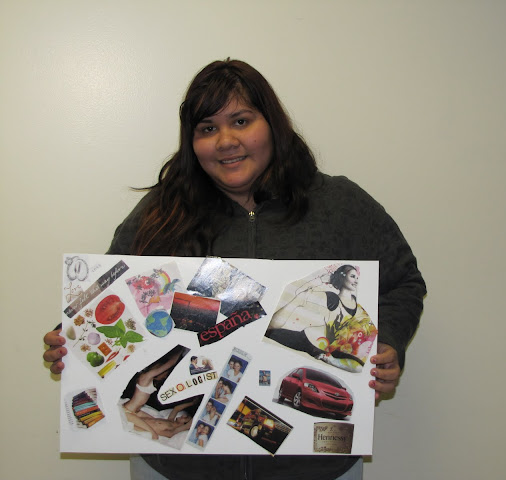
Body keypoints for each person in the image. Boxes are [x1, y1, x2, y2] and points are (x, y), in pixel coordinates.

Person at [43, 58, 426, 480]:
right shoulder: (160, 213)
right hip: (177, 466)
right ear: (192, 142)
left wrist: (387, 343)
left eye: (241, 121)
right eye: (207, 128)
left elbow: (403, 282)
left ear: (272, 125)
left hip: (314, 466)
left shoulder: (339, 205)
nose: (226, 141)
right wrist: (72, 342)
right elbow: (109, 298)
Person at [266, 264, 376, 371]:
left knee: (359, 366)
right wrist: (319, 281)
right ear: (342, 277)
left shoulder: (359, 308)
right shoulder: (330, 298)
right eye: (352, 276)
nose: (356, 280)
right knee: (270, 333)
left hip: (329, 350)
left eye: (357, 277)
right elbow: (299, 295)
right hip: (307, 340)